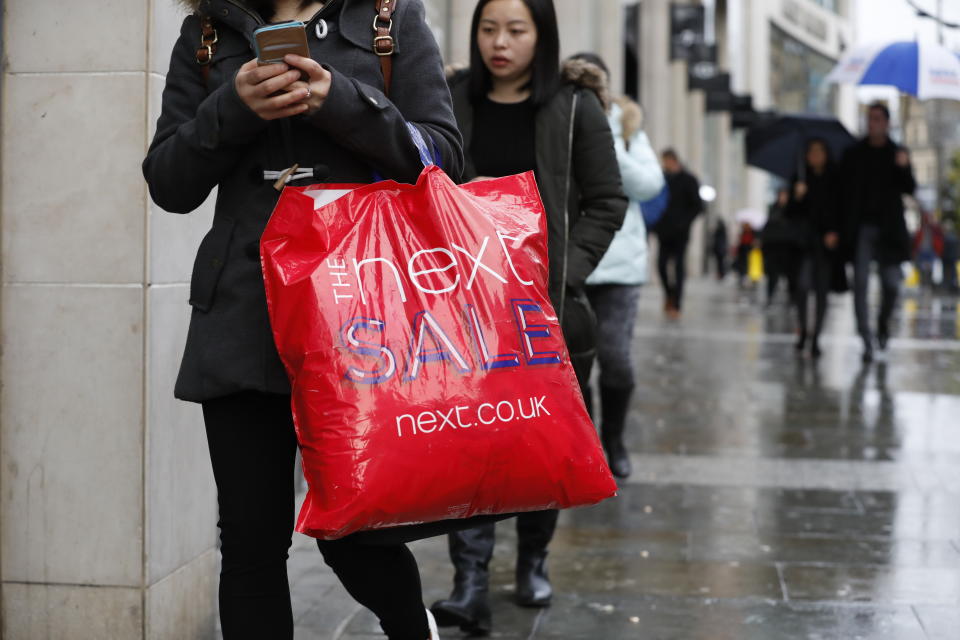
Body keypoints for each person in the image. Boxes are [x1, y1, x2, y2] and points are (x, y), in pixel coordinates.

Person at [143, 1, 463, 639]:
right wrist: (233, 109)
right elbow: (168, 182)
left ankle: (410, 626)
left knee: (356, 534)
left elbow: (444, 157)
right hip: (242, 315)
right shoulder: (208, 30)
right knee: (251, 543)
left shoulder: (388, 18)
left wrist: (340, 100)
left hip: (361, 319)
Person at [432, 0, 626, 634]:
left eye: (516, 30)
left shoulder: (574, 107)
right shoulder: (453, 96)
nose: (500, 42)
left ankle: (534, 559)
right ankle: (469, 579)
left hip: (547, 309)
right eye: (488, 28)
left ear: (541, 37)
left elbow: (606, 200)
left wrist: (564, 270)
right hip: (467, 306)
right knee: (471, 446)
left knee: (544, 446)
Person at [567, 52, 665, 480]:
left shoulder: (625, 125)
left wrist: (603, 141)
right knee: (574, 362)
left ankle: (615, 438)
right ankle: (585, 442)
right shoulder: (558, 120)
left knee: (616, 359)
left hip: (621, 265)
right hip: (572, 261)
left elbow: (649, 184)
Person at [839, 102, 916, 362]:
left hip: (890, 232)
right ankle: (866, 339)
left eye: (878, 119)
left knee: (892, 285)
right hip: (861, 229)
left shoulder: (897, 152)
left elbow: (910, 189)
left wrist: (903, 166)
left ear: (887, 122)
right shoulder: (854, 153)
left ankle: (883, 326)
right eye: (870, 119)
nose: (874, 124)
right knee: (860, 284)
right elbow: (844, 193)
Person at [785, 139, 841, 358]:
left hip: (826, 245)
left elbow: (840, 209)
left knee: (821, 291)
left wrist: (834, 232)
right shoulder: (800, 178)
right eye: (812, 152)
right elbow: (789, 213)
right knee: (802, 285)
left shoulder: (834, 179)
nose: (815, 156)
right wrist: (797, 196)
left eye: (819, 151)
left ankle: (816, 336)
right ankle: (803, 330)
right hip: (804, 244)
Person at [654, 148, 703, 318]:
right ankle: (669, 294)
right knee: (661, 265)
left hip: (681, 233)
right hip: (664, 232)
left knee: (679, 267)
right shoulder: (661, 179)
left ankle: (677, 303)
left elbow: (698, 206)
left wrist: (684, 222)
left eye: (666, 161)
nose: (664, 164)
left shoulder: (689, 180)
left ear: (674, 160)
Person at [761, 188, 801, 307]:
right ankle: (770, 298)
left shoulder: (793, 210)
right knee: (772, 276)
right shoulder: (773, 210)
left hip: (788, 249)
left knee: (791, 277)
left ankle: (792, 299)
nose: (782, 198)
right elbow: (768, 229)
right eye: (781, 195)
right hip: (774, 249)